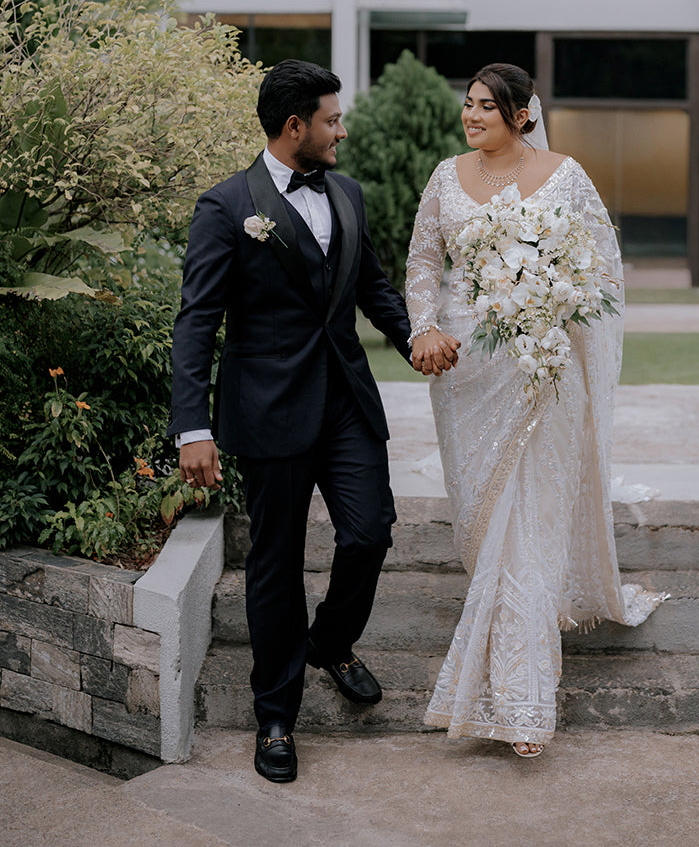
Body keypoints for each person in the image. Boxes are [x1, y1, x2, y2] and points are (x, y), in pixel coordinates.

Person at [169, 59, 457, 784]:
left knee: (370, 532)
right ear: (295, 126)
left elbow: (372, 287)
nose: (343, 129)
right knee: (275, 565)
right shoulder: (227, 206)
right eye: (332, 119)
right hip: (267, 413)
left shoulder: (350, 195)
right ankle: (275, 717)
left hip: (347, 403)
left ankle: (330, 643)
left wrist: (416, 336)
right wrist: (191, 426)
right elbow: (197, 320)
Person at [406, 62, 666, 758]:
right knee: (480, 518)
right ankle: (518, 639)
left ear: (523, 113)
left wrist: (556, 307)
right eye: (468, 105)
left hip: (543, 369)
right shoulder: (444, 177)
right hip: (466, 370)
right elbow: (424, 263)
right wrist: (422, 325)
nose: (473, 116)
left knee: (527, 528)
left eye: (488, 106)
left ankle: (522, 707)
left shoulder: (566, 175)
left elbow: (600, 267)